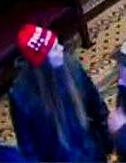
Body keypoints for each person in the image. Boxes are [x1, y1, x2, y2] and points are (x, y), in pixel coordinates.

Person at [9, 25, 111, 162]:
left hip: (91, 152)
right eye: (55, 49)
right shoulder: (21, 96)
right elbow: (28, 148)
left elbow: (97, 106)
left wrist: (108, 141)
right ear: (43, 63)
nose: (61, 49)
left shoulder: (72, 66)